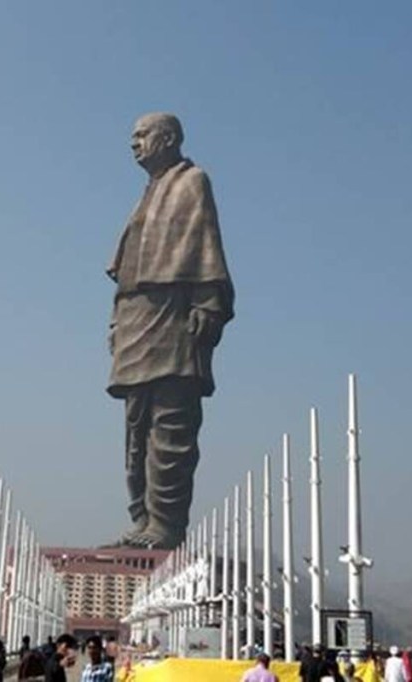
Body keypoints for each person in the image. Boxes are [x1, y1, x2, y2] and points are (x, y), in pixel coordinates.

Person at [106, 112, 235, 550]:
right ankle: (142, 519)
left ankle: (166, 525)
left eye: (141, 134)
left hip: (173, 316)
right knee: (135, 428)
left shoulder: (191, 181)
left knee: (171, 425)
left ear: (169, 138)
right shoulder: (147, 193)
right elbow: (125, 266)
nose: (134, 143)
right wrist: (115, 320)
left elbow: (205, 244)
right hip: (135, 319)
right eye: (133, 136)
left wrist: (207, 301)